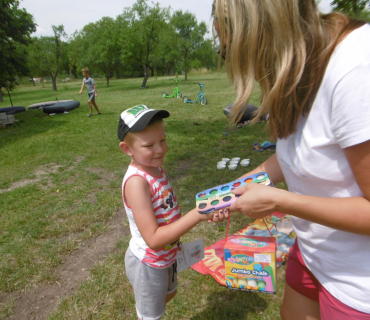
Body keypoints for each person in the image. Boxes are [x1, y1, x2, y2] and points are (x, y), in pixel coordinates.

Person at [211, 0, 370, 319]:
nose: (240, 64)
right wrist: (238, 186)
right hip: (314, 253)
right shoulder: (297, 71)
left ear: (264, 34)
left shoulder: (356, 68)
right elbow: (295, 157)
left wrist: (282, 202)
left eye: (233, 51)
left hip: (357, 283)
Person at [117, 104, 218, 320]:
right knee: (151, 314)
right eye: (149, 144)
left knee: (169, 294)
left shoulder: (155, 168)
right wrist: (198, 214)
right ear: (127, 149)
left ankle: (150, 299)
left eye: (162, 140)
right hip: (149, 263)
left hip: (168, 255)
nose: (160, 149)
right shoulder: (137, 182)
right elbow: (153, 239)